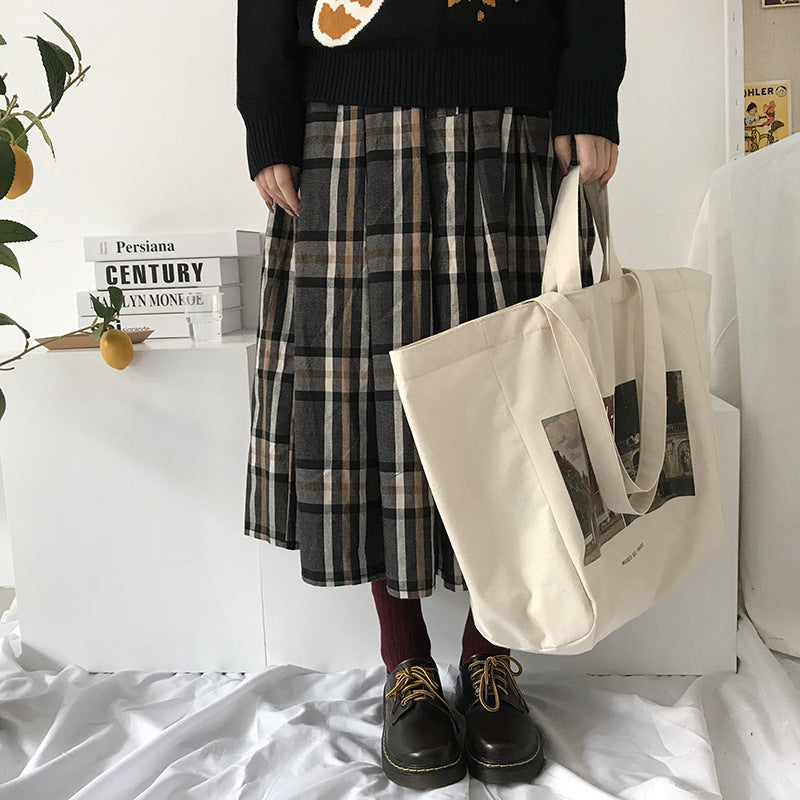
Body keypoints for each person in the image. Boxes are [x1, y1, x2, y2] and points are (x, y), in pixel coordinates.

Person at [236, 0, 625, 789]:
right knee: (373, 397)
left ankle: (489, 654)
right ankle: (405, 661)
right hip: (348, 116)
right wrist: (269, 120)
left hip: (512, 113)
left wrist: (588, 93)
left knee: (520, 403)